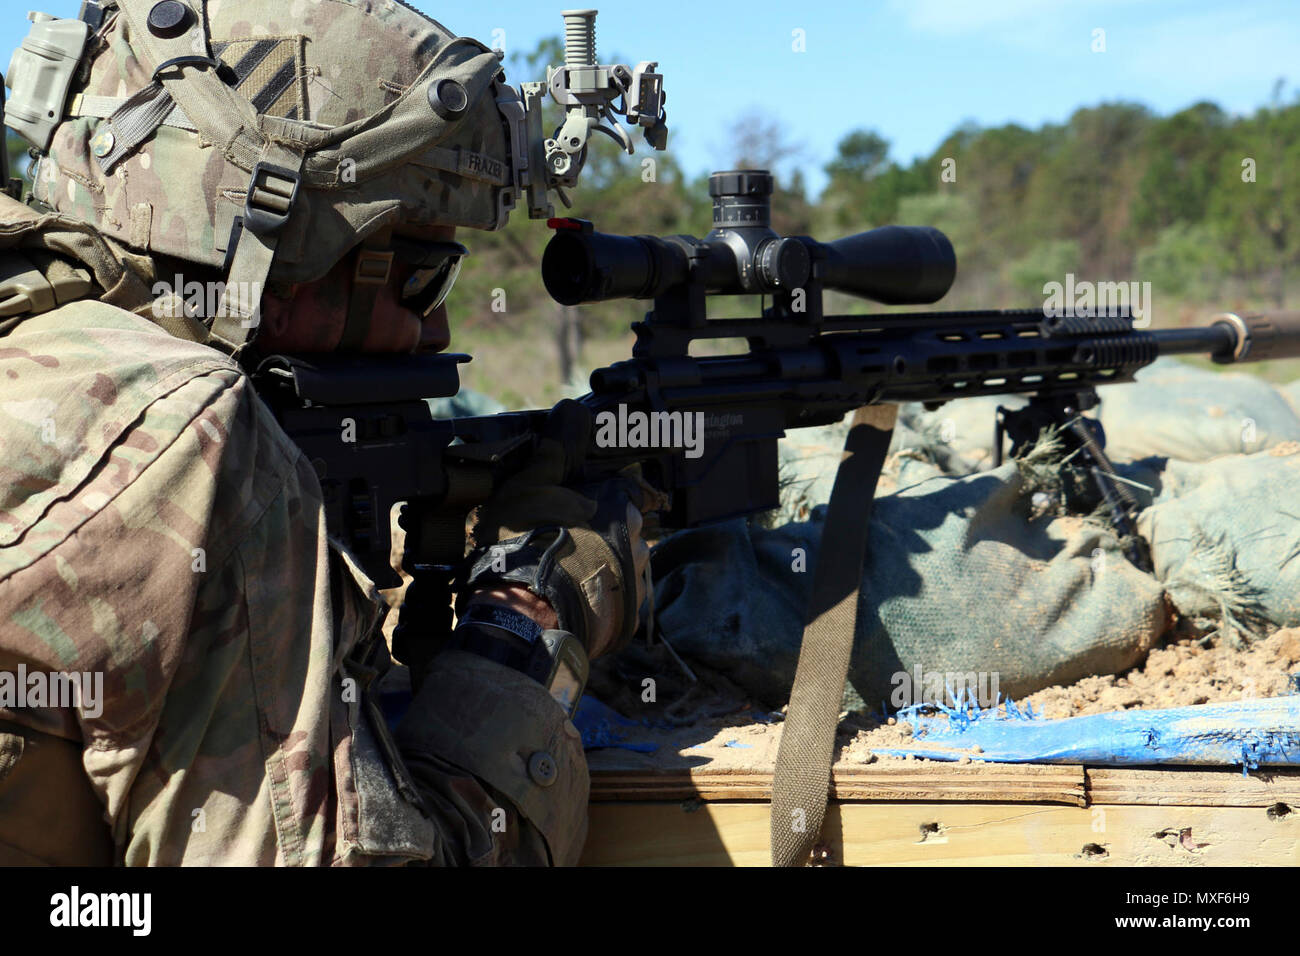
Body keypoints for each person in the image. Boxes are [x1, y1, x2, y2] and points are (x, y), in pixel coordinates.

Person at [0, 0, 651, 866]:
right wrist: (527, 622)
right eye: (424, 274)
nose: (434, 331)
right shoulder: (181, 443)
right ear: (265, 244)